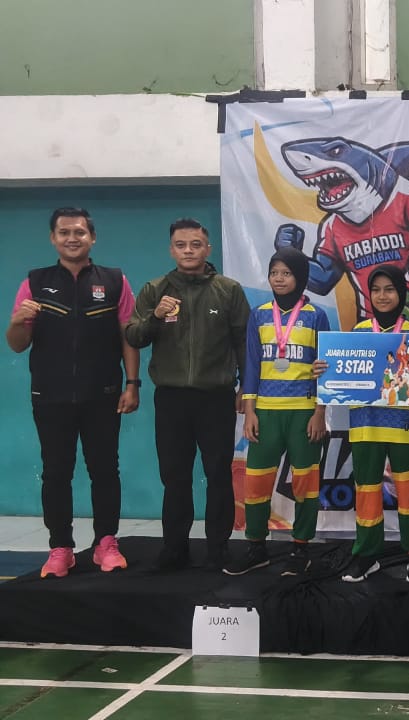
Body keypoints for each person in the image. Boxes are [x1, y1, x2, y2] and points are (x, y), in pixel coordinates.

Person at [7, 207, 140, 578]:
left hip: (103, 394)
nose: (72, 238)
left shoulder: (114, 281)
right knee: (56, 472)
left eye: (79, 232)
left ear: (92, 237)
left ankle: (106, 543)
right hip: (50, 396)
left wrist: (132, 384)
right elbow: (17, 344)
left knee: (105, 470)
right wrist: (16, 322)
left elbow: (128, 336)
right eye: (64, 232)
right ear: (53, 238)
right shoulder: (35, 282)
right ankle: (60, 548)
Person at [125, 218, 249, 571]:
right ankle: (175, 547)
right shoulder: (155, 289)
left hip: (216, 397)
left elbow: (243, 342)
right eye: (181, 245)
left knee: (218, 474)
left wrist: (247, 387)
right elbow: (133, 336)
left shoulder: (228, 290)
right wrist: (155, 317)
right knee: (174, 476)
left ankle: (218, 548)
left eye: (196, 244)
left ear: (208, 248)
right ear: (171, 250)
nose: (189, 251)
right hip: (171, 399)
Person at [315, 266, 409, 582]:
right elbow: (341, 373)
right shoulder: (359, 332)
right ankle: (367, 556)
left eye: (389, 289)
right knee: (367, 491)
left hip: (404, 424)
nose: (382, 296)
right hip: (365, 424)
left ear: (400, 293)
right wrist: (325, 370)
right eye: (376, 290)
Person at [224, 248, 330, 576]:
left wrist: (319, 413)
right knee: (256, 483)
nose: (279, 279)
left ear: (300, 277)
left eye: (286, 273)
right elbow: (251, 365)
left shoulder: (316, 316)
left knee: (306, 484)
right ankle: (256, 547)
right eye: (274, 273)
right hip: (266, 413)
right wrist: (250, 412)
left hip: (303, 413)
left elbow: (325, 368)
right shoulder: (259, 315)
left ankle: (301, 548)